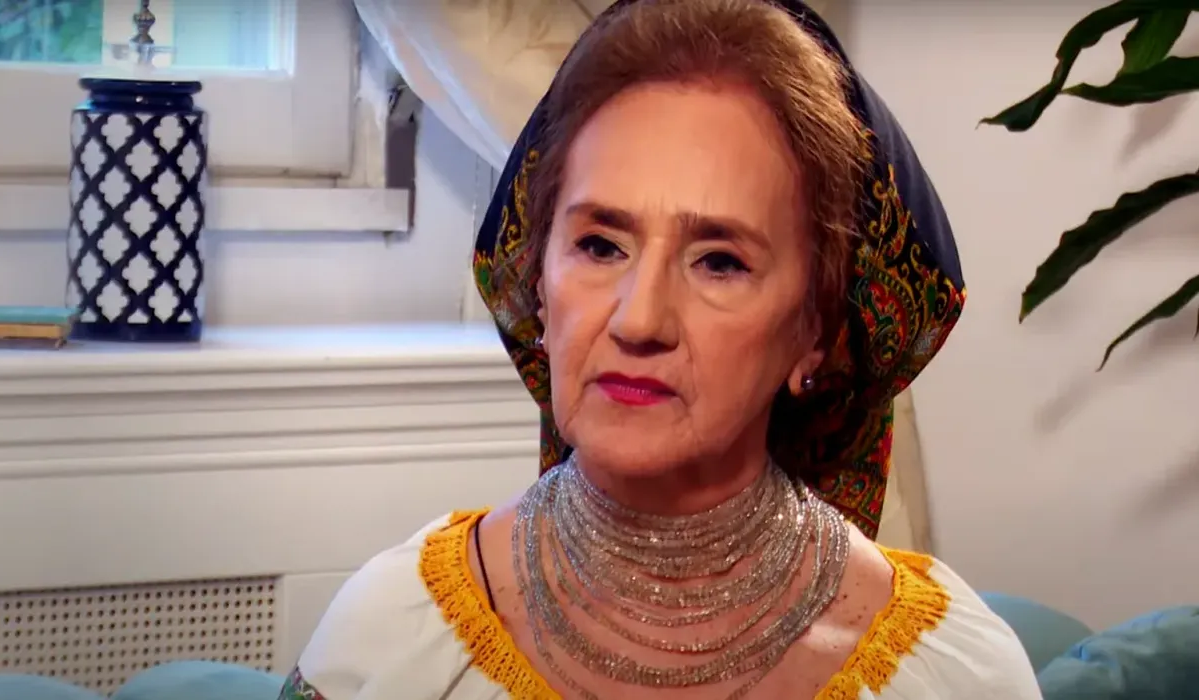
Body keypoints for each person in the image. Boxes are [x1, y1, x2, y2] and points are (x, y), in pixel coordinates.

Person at [281, 1, 1041, 698]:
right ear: (538, 284)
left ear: (814, 330)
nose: (639, 320)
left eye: (720, 261)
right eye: (600, 245)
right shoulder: (391, 642)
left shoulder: (954, 676)